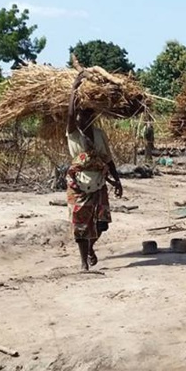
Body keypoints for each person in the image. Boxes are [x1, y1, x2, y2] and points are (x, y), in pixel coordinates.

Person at [66, 75, 123, 271]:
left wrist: (117, 180)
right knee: (81, 224)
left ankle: (90, 248)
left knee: (101, 224)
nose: (84, 118)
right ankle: (83, 263)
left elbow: (108, 159)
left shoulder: (99, 135)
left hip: (99, 182)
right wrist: (74, 89)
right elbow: (70, 115)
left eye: (89, 115)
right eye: (81, 115)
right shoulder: (73, 134)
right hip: (78, 185)